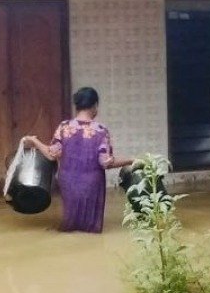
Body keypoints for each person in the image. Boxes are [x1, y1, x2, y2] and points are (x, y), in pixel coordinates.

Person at [23, 87, 132, 233]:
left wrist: (35, 141)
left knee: (71, 221)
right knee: (91, 226)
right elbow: (105, 162)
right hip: (92, 183)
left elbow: (51, 154)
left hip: (68, 181)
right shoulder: (100, 130)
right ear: (94, 106)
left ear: (77, 106)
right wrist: (131, 160)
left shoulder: (64, 127)